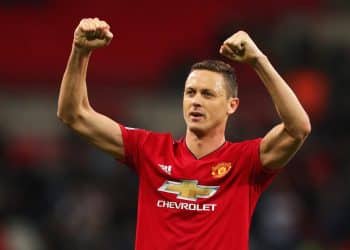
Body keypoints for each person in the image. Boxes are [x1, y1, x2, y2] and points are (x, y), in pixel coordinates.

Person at [57, 17, 311, 250]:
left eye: (208, 94)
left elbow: (298, 128)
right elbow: (74, 114)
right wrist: (80, 51)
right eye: (190, 92)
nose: (196, 101)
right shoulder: (149, 150)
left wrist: (259, 61)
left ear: (231, 105)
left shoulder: (246, 162)